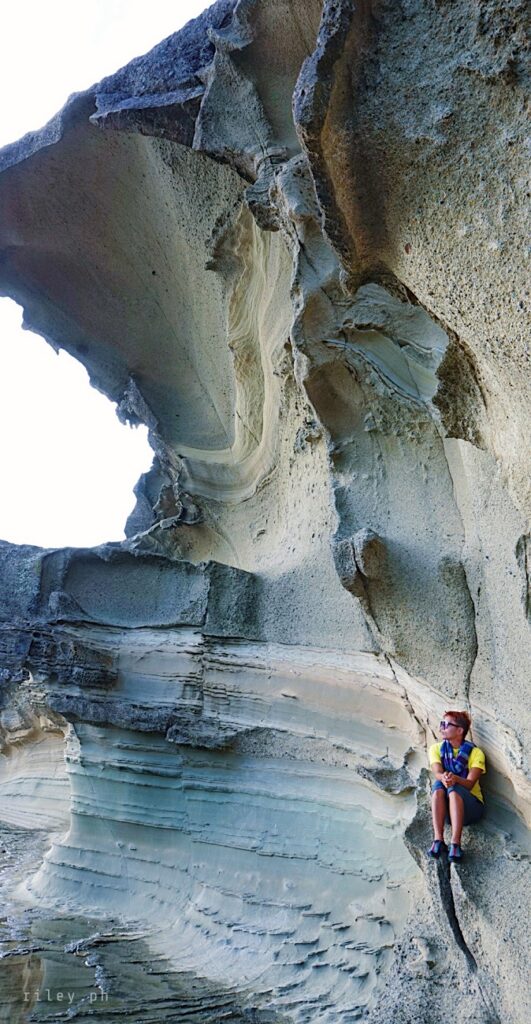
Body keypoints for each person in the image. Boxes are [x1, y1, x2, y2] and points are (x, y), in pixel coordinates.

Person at [427, 710, 485, 862]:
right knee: (439, 784)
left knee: (454, 788)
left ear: (460, 730)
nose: (442, 728)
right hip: (447, 811)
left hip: (471, 809)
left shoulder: (476, 753)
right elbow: (437, 773)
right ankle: (438, 840)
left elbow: (470, 783)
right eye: (442, 724)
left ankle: (455, 844)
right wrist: (445, 778)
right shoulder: (436, 749)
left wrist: (455, 779)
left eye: (446, 725)